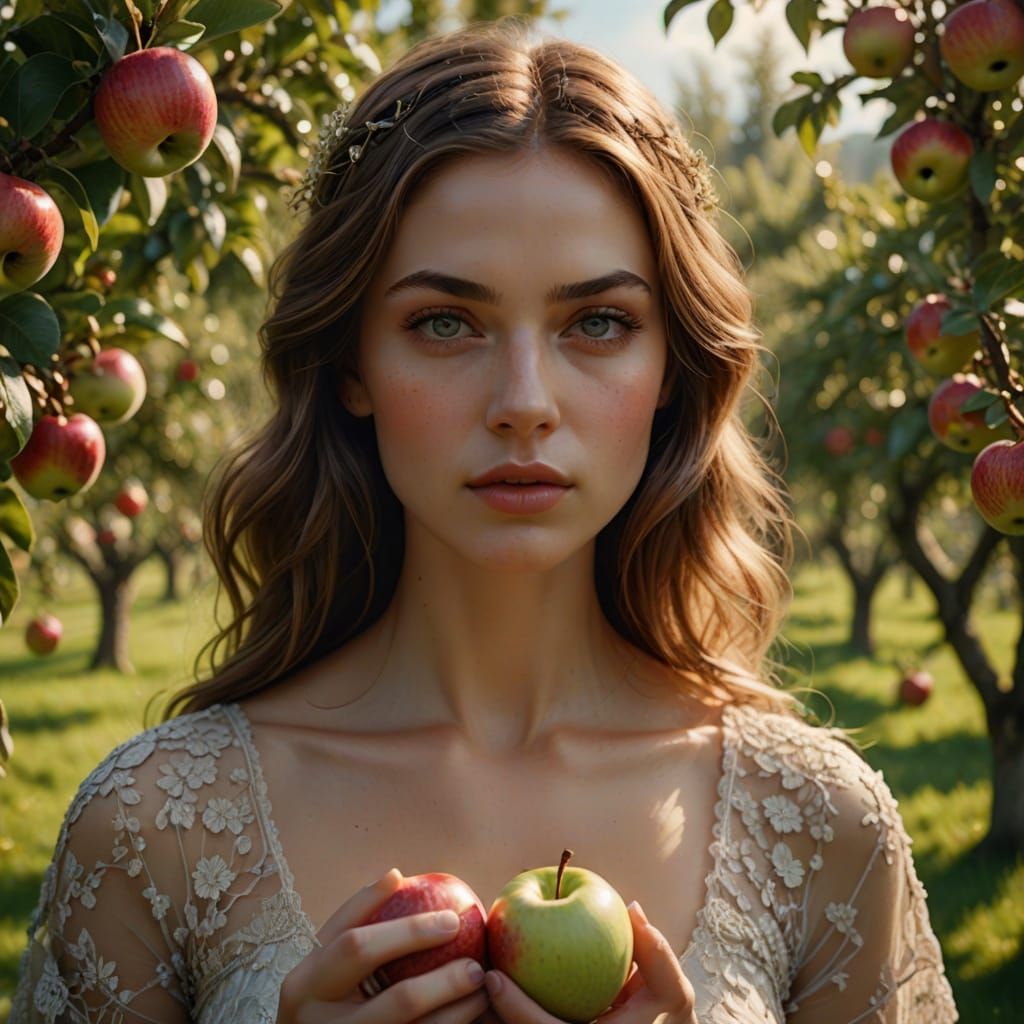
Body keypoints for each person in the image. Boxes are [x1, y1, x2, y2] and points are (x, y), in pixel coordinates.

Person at [10, 15, 958, 1024]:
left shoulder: (823, 827)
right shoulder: (150, 827)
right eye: (444, 322)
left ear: (673, 371)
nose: (523, 399)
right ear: (350, 367)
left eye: (597, 322)